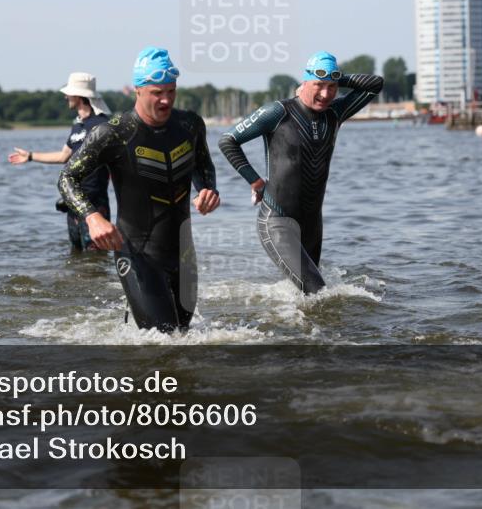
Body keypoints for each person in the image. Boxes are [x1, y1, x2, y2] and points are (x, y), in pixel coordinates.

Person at [58, 47, 220, 332]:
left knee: (182, 338)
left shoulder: (190, 125)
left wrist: (208, 191)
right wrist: (93, 217)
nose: (166, 99)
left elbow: (203, 167)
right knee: (164, 337)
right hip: (137, 252)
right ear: (138, 90)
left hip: (183, 253)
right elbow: (67, 179)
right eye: (157, 92)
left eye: (171, 91)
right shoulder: (113, 133)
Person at [217, 51, 383, 294]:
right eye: (318, 85)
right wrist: (255, 181)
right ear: (304, 82)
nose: (326, 94)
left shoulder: (335, 113)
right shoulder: (278, 113)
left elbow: (375, 84)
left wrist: (340, 78)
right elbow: (228, 141)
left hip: (312, 223)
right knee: (319, 293)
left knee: (310, 301)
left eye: (332, 87)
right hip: (277, 221)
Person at [9, 72, 112, 251]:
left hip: (94, 204)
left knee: (96, 257)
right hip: (73, 201)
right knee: (76, 254)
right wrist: (31, 156)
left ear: (79, 96)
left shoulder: (102, 125)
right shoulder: (78, 125)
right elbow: (63, 156)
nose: (66, 97)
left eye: (69, 93)